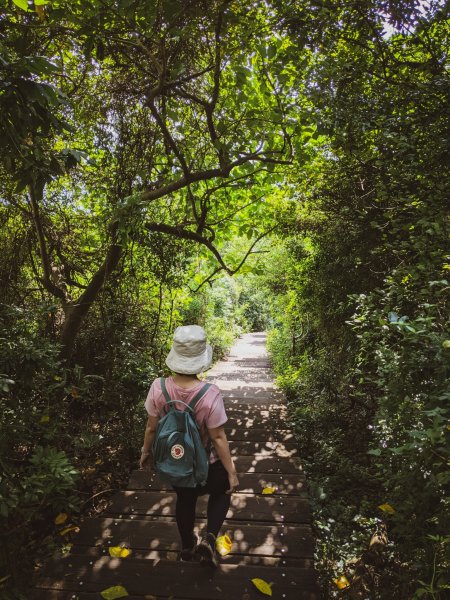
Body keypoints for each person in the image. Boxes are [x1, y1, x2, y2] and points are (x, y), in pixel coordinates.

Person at [139, 325, 239, 567]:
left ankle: (186, 547)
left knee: (184, 500)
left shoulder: (158, 387)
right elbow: (217, 437)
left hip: (177, 461)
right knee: (222, 491)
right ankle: (210, 538)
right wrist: (232, 472)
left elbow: (151, 427)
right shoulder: (210, 393)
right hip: (208, 464)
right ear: (201, 359)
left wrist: (145, 452)